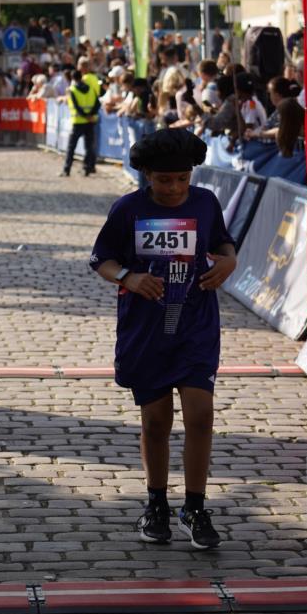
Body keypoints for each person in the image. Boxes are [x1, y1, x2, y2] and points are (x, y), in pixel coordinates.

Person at [90, 128, 237, 549]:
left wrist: (228, 262)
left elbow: (223, 244)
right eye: (164, 180)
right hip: (146, 328)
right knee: (156, 421)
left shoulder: (206, 202)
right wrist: (129, 277)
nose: (174, 189)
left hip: (196, 323)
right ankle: (156, 503)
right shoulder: (127, 210)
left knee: (201, 414)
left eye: (182, 180)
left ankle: (195, 506)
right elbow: (101, 259)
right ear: (147, 176)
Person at [62, 69, 99, 177]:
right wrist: (91, 114)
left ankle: (67, 169)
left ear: (73, 78)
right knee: (89, 146)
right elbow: (97, 104)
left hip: (78, 122)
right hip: (90, 122)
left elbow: (76, 106)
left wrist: (84, 115)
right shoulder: (91, 89)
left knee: (71, 147)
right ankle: (87, 169)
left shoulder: (72, 90)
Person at [244, 76, 295, 142]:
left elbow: (279, 130)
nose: (269, 96)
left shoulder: (286, 109)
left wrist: (255, 133)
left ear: (277, 95)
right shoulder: (279, 109)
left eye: (270, 93)